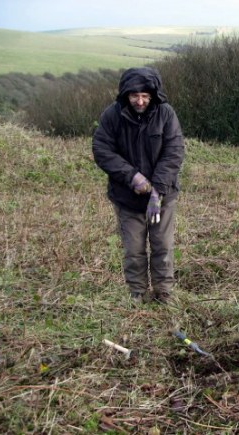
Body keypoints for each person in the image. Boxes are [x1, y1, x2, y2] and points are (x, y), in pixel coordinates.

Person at [92, 67, 185, 304]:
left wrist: (157, 191)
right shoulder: (112, 115)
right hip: (127, 197)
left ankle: (164, 292)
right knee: (133, 249)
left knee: (162, 245)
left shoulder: (166, 114)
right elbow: (102, 149)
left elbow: (173, 152)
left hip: (163, 196)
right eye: (135, 96)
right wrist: (132, 177)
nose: (140, 101)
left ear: (153, 94)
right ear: (126, 94)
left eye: (145, 95)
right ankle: (138, 292)